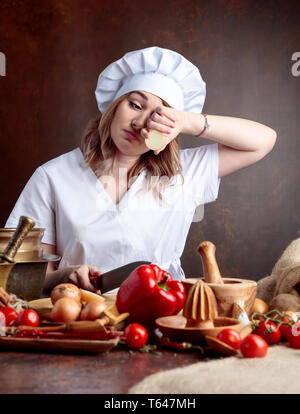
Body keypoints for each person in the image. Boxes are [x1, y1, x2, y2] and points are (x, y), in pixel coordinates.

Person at [5, 47, 277, 296]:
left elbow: (262, 141)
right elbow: (15, 275)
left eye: (158, 117)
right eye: (135, 104)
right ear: (114, 105)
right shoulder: (53, 176)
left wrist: (188, 121)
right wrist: (64, 275)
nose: (139, 123)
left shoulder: (185, 172)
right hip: (79, 313)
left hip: (163, 314)